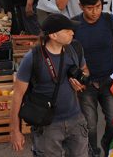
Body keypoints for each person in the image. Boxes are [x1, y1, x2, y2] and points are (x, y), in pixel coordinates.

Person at [10, 14, 90, 155]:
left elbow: (86, 71)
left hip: (75, 120)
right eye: (67, 31)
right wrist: (15, 131)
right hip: (47, 125)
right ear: (53, 35)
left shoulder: (75, 49)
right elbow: (17, 96)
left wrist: (81, 82)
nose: (72, 33)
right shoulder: (33, 58)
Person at [73, 0, 113, 157]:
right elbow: (67, 55)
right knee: (90, 126)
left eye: (98, 6)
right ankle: (93, 153)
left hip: (110, 82)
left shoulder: (110, 20)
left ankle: (106, 143)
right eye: (89, 8)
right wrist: (73, 78)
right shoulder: (74, 25)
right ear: (81, 6)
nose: (95, 12)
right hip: (86, 85)